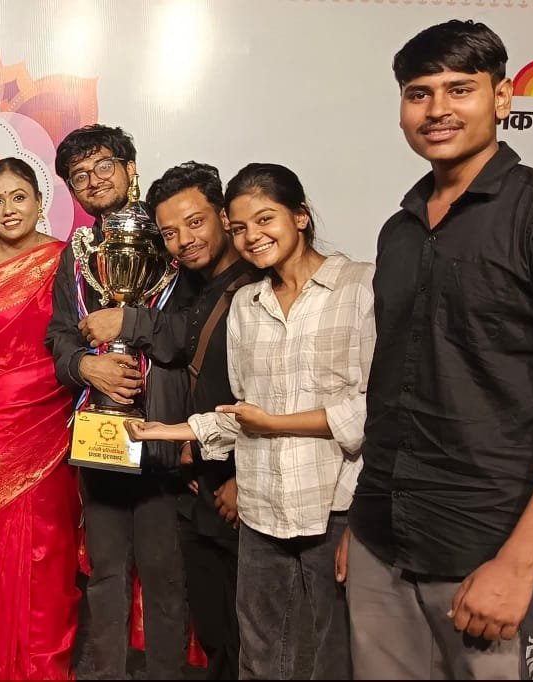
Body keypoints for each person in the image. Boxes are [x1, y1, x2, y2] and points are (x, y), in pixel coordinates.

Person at [346, 20, 533, 679]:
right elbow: (392, 387)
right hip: (381, 540)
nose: (437, 109)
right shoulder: (399, 231)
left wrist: (520, 562)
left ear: (502, 98)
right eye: (418, 93)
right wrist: (364, 525)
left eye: (459, 89)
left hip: (490, 546)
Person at [131, 163, 371, 679]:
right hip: (262, 506)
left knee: (333, 655)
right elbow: (241, 413)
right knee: (258, 656)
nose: (252, 236)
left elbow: (372, 410)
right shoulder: (246, 302)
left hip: (333, 503)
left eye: (265, 220)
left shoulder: (361, 287)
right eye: (240, 227)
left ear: (300, 216)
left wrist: (275, 424)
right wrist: (172, 431)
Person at [43, 124, 188, 680]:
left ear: (130, 168)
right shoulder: (78, 253)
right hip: (99, 427)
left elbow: (191, 333)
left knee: (163, 571)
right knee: (104, 570)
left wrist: (128, 323)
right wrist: (84, 365)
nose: (93, 180)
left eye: (104, 165)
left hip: (164, 426)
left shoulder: (172, 239)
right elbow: (60, 335)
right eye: (79, 176)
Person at [0, 157, 81, 681]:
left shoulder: (65, 259)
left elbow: (78, 337)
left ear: (39, 201)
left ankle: (43, 660)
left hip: (48, 414)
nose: (8, 209)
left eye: (19, 197)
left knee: (47, 543)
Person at [141, 160, 255, 679]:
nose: (184, 240)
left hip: (243, 489)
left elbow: (272, 391)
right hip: (198, 481)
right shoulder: (190, 286)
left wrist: (242, 477)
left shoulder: (259, 281)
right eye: (169, 232)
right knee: (213, 626)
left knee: (252, 629)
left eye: (195, 222)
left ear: (223, 216)